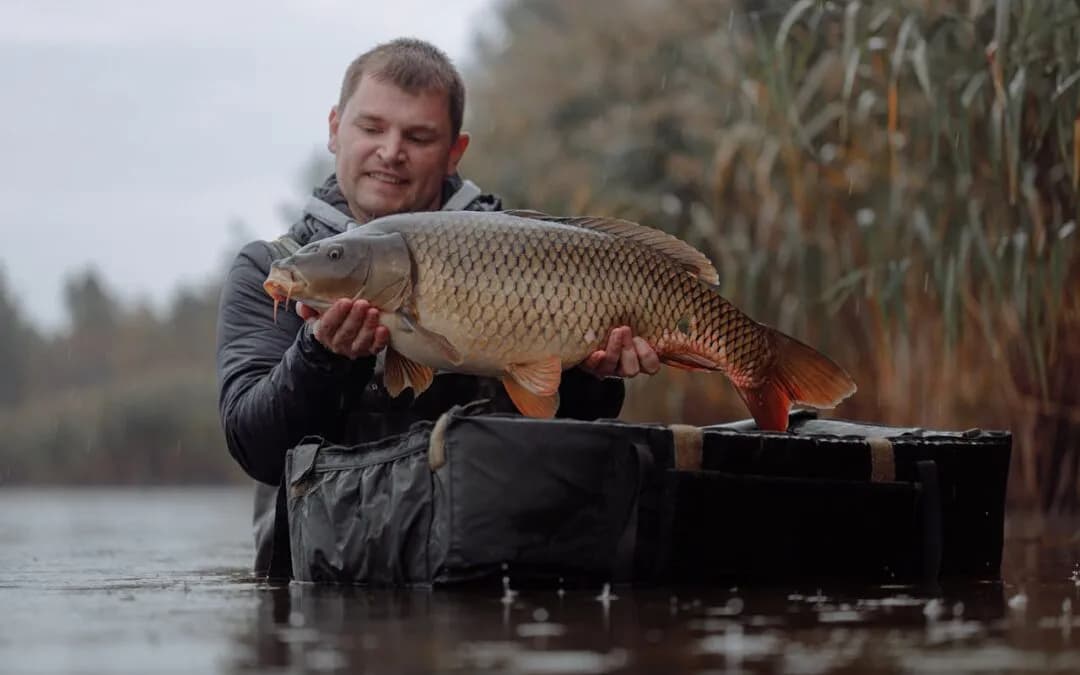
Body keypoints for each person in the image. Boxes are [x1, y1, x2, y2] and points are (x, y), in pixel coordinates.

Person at [215, 38, 660, 576]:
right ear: (335, 128)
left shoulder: (524, 252)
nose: (391, 151)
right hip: (323, 584)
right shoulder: (274, 269)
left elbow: (564, 434)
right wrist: (321, 357)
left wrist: (594, 376)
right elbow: (256, 449)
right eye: (372, 128)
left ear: (454, 151)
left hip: (491, 571)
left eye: (418, 136)